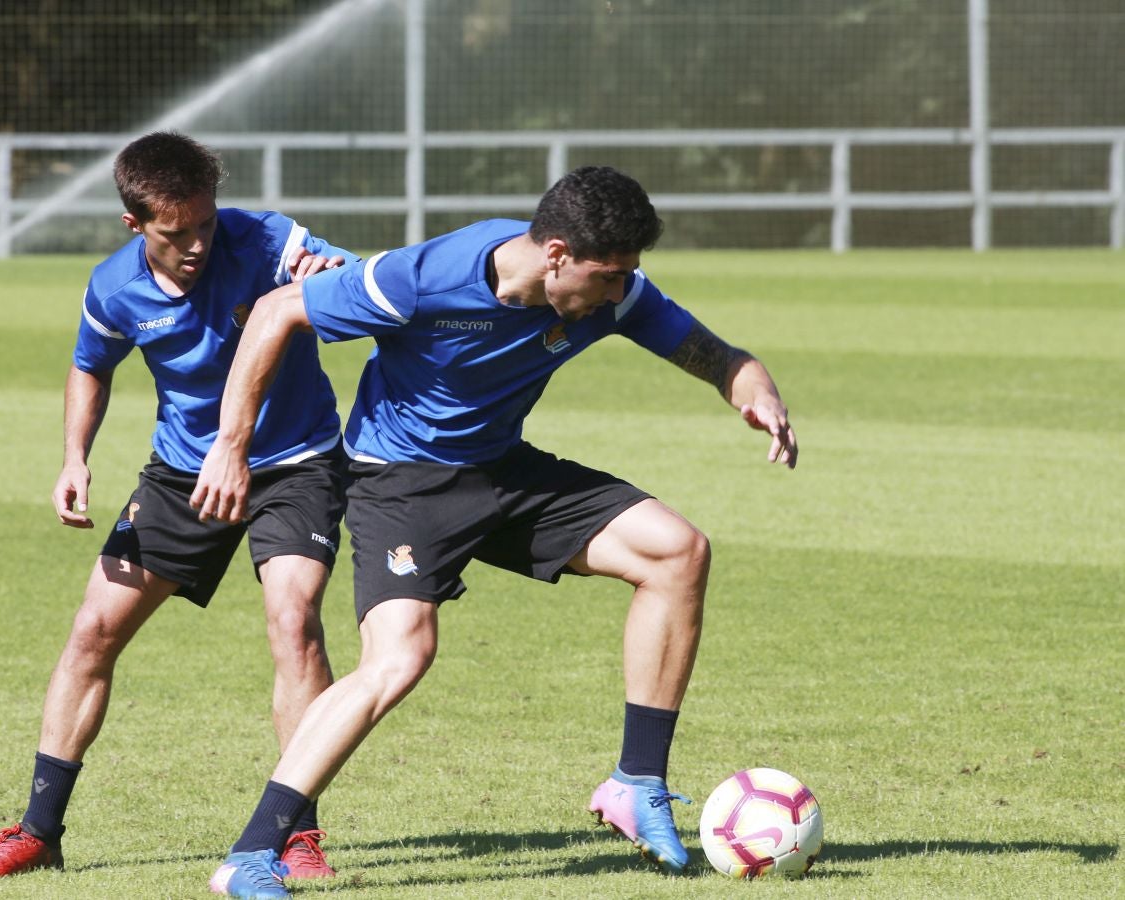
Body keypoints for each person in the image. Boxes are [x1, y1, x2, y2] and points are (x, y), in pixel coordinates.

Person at [192, 165, 798, 898]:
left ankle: (636, 783)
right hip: (403, 481)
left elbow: (717, 356)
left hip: (502, 471)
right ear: (556, 255)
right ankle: (252, 854)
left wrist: (752, 387)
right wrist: (231, 444)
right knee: (399, 658)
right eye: (607, 276)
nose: (619, 292)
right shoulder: (425, 277)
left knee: (677, 552)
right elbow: (275, 312)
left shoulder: (613, 294)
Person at [0, 131, 355, 880]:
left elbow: (337, 269)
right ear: (135, 224)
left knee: (294, 619)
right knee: (92, 632)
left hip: (294, 463)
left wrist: (329, 271)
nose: (200, 242)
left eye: (206, 222)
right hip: (183, 474)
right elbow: (89, 366)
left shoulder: (267, 238)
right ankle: (38, 833)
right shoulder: (113, 287)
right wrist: (75, 457)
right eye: (179, 232)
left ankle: (298, 836)